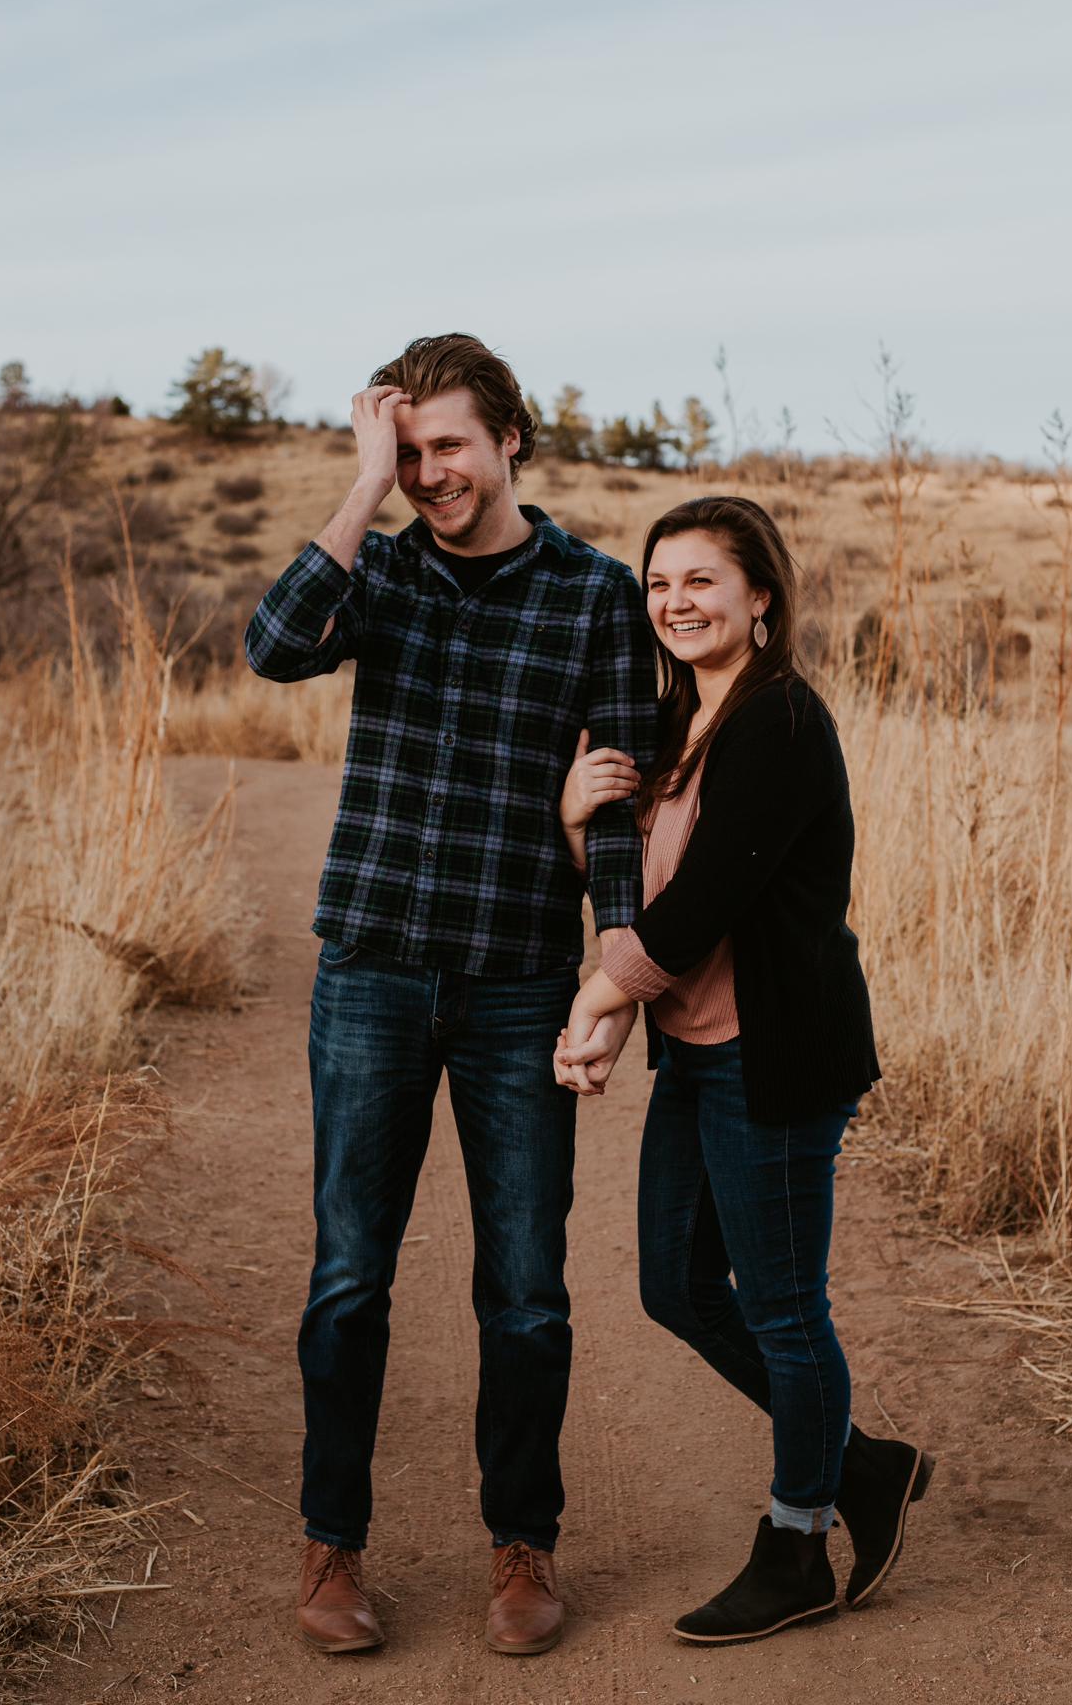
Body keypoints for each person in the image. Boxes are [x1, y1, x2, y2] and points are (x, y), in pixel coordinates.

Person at [244, 334, 657, 1657]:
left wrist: (610, 971)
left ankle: (522, 1547)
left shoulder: (592, 592)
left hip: (515, 982)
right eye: (408, 451)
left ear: (511, 440)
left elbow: (613, 803)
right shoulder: (385, 571)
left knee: (526, 1287)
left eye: (447, 449)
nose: (431, 475)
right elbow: (270, 645)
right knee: (348, 1276)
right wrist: (360, 489)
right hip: (369, 968)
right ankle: (330, 1551)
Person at [555, 494, 933, 1646]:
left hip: (776, 1058)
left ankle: (795, 1543)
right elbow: (650, 884)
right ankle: (861, 1462)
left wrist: (596, 997)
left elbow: (706, 902)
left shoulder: (776, 721)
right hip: (703, 1054)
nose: (673, 602)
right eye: (658, 583)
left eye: (700, 581)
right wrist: (578, 826)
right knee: (673, 1283)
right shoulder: (685, 722)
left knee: (779, 1305)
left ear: (758, 594)